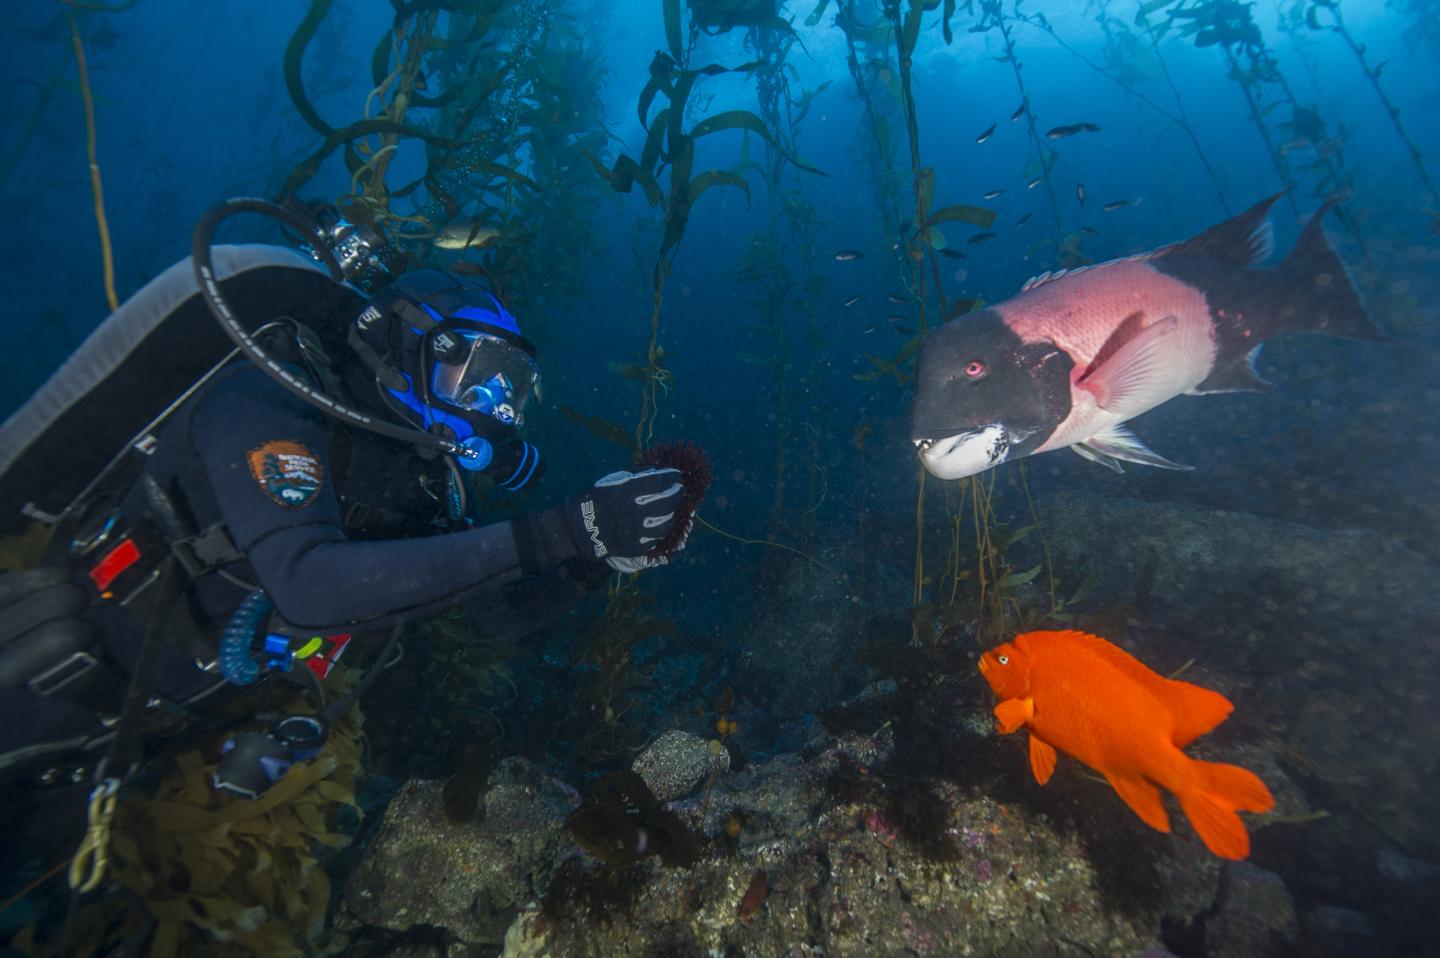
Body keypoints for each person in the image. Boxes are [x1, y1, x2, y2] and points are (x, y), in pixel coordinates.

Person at [0, 237, 693, 816]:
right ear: (409, 334)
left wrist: (597, 557)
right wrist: (561, 531)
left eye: (515, 390)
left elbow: (495, 617)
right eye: (482, 370)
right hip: (42, 680)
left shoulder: (421, 486)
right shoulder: (270, 397)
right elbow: (306, 584)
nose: (496, 407)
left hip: (128, 748)